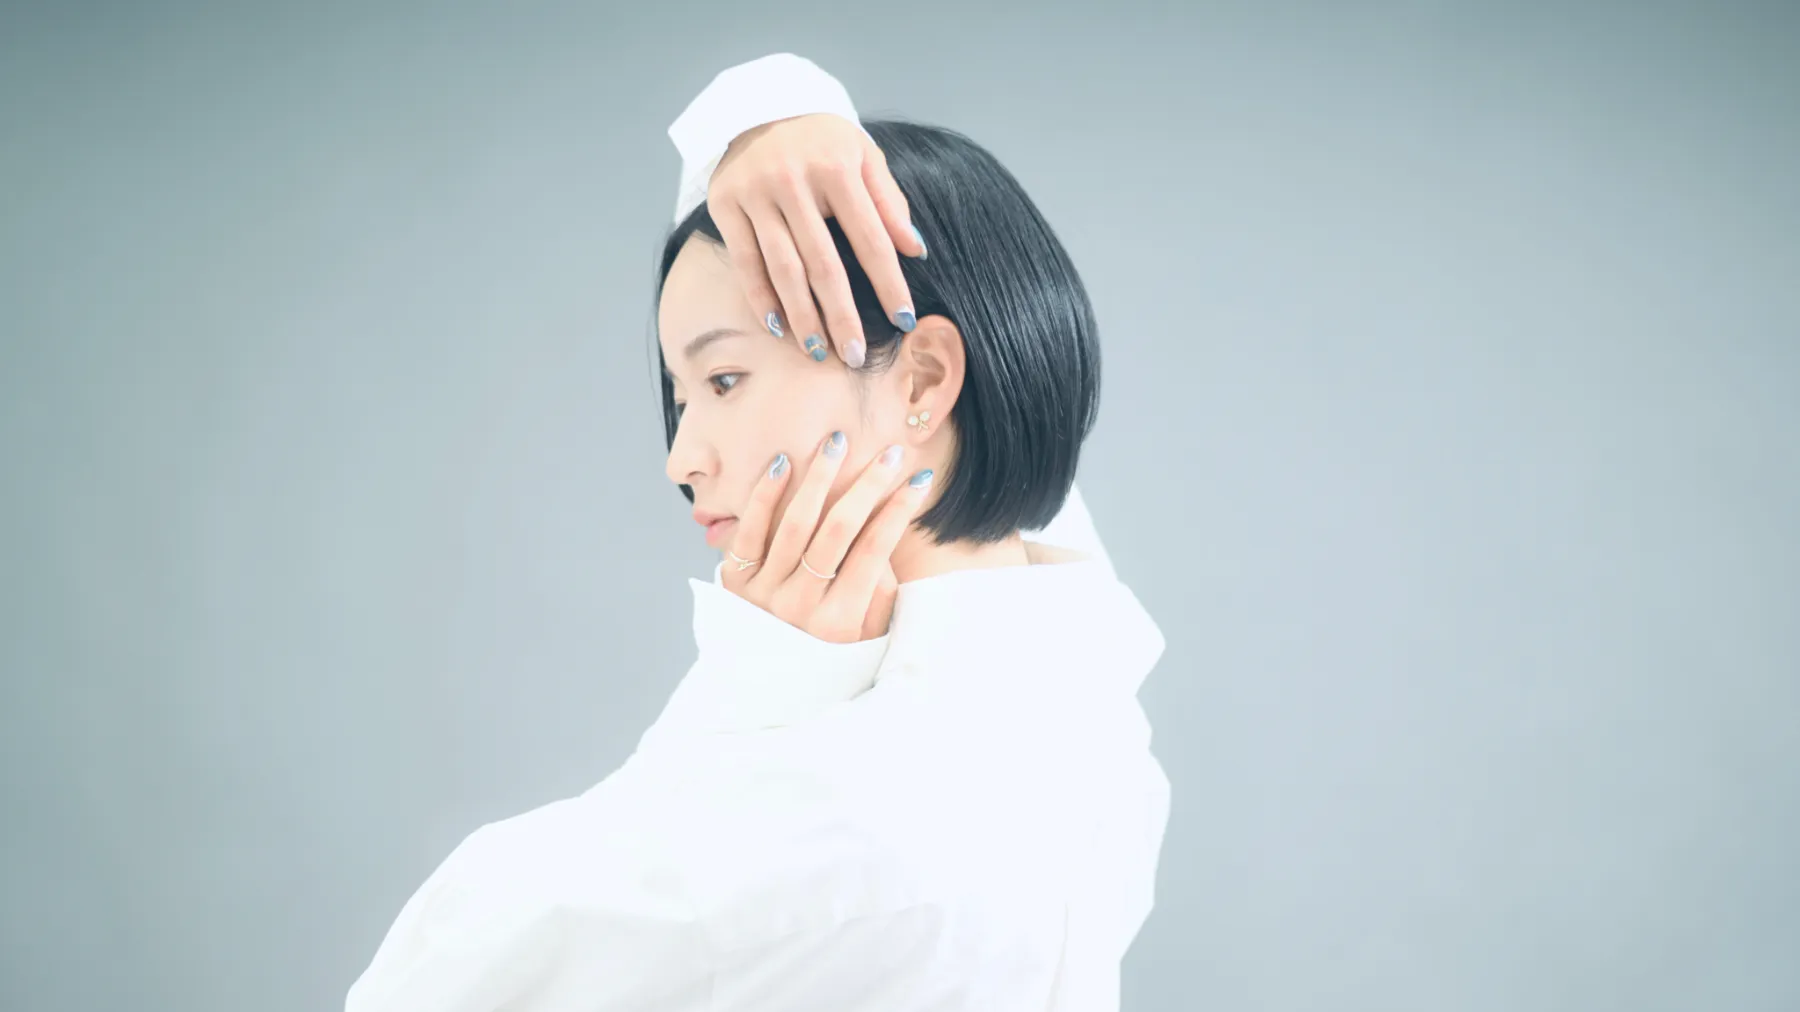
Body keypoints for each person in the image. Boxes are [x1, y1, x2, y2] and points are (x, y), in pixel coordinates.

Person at [346, 54, 1169, 1012]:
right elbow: (990, 422)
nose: (680, 459)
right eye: (680, 394)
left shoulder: (795, 836)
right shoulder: (1092, 695)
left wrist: (750, 700)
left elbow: (436, 979)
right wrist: (768, 126)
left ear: (924, 379)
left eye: (724, 380)